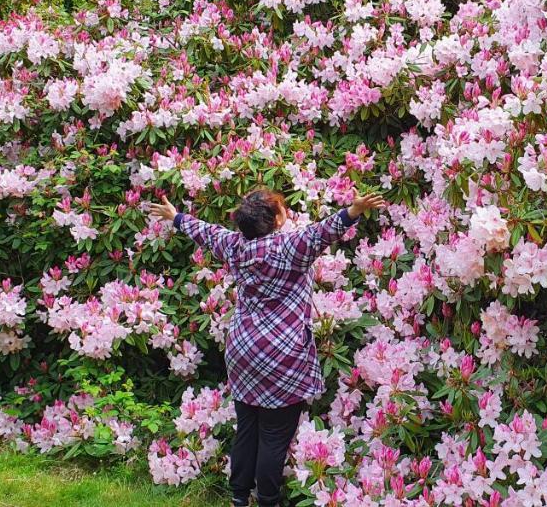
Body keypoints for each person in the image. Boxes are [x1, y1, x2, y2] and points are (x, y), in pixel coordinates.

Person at [147, 188, 386, 507]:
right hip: (282, 354)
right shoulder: (291, 246)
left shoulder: (233, 245)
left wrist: (175, 216)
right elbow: (325, 229)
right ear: (276, 219)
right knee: (274, 436)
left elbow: (203, 231)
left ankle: (239, 497)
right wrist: (353, 210)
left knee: (247, 427)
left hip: (243, 349)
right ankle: (268, 501)